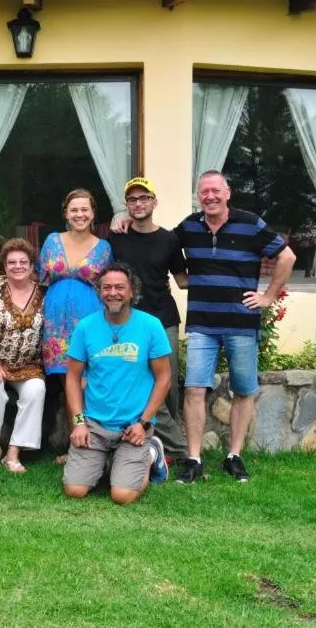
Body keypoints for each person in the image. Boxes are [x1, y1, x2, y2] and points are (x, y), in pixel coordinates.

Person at [174, 170, 296, 484]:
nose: (210, 196)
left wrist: (268, 296)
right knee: (194, 389)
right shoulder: (189, 226)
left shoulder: (250, 223)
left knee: (243, 390)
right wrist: (125, 225)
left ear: (227, 193)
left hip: (241, 323)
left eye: (216, 190)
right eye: (204, 192)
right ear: (198, 195)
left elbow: (287, 257)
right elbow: (164, 247)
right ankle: (194, 459)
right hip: (202, 323)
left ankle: (234, 456)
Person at [61, 263, 171, 505]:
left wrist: (143, 423)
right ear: (99, 292)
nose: (113, 292)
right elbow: (72, 377)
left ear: (132, 291)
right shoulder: (86, 327)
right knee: (75, 490)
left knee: (122, 496)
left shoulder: (151, 326)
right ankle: (107, 462)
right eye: (106, 287)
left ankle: (152, 453)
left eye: (120, 287)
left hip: (134, 427)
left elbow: (164, 378)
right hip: (94, 426)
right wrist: (78, 423)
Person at [107, 177, 189, 464]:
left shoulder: (168, 239)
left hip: (163, 317)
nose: (138, 204)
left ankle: (171, 447)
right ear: (126, 205)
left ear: (154, 202)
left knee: (167, 382)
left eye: (144, 198)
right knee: (138, 380)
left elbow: (182, 280)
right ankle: (155, 441)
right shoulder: (116, 237)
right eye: (132, 199)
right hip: (128, 321)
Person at [38, 189, 113, 446]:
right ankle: (76, 444)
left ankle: (95, 440)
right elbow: (40, 279)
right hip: (55, 324)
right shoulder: (51, 241)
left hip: (89, 320)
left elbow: (109, 287)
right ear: (66, 214)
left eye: (85, 209)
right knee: (66, 380)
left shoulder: (103, 248)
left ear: (92, 214)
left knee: (86, 382)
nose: (79, 214)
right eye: (74, 210)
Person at [0, 238, 46, 474]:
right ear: (4, 266)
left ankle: (14, 452)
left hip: (30, 365)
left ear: (32, 265)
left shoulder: (44, 295)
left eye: (23, 262)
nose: (17, 266)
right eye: (12, 262)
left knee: (36, 390)